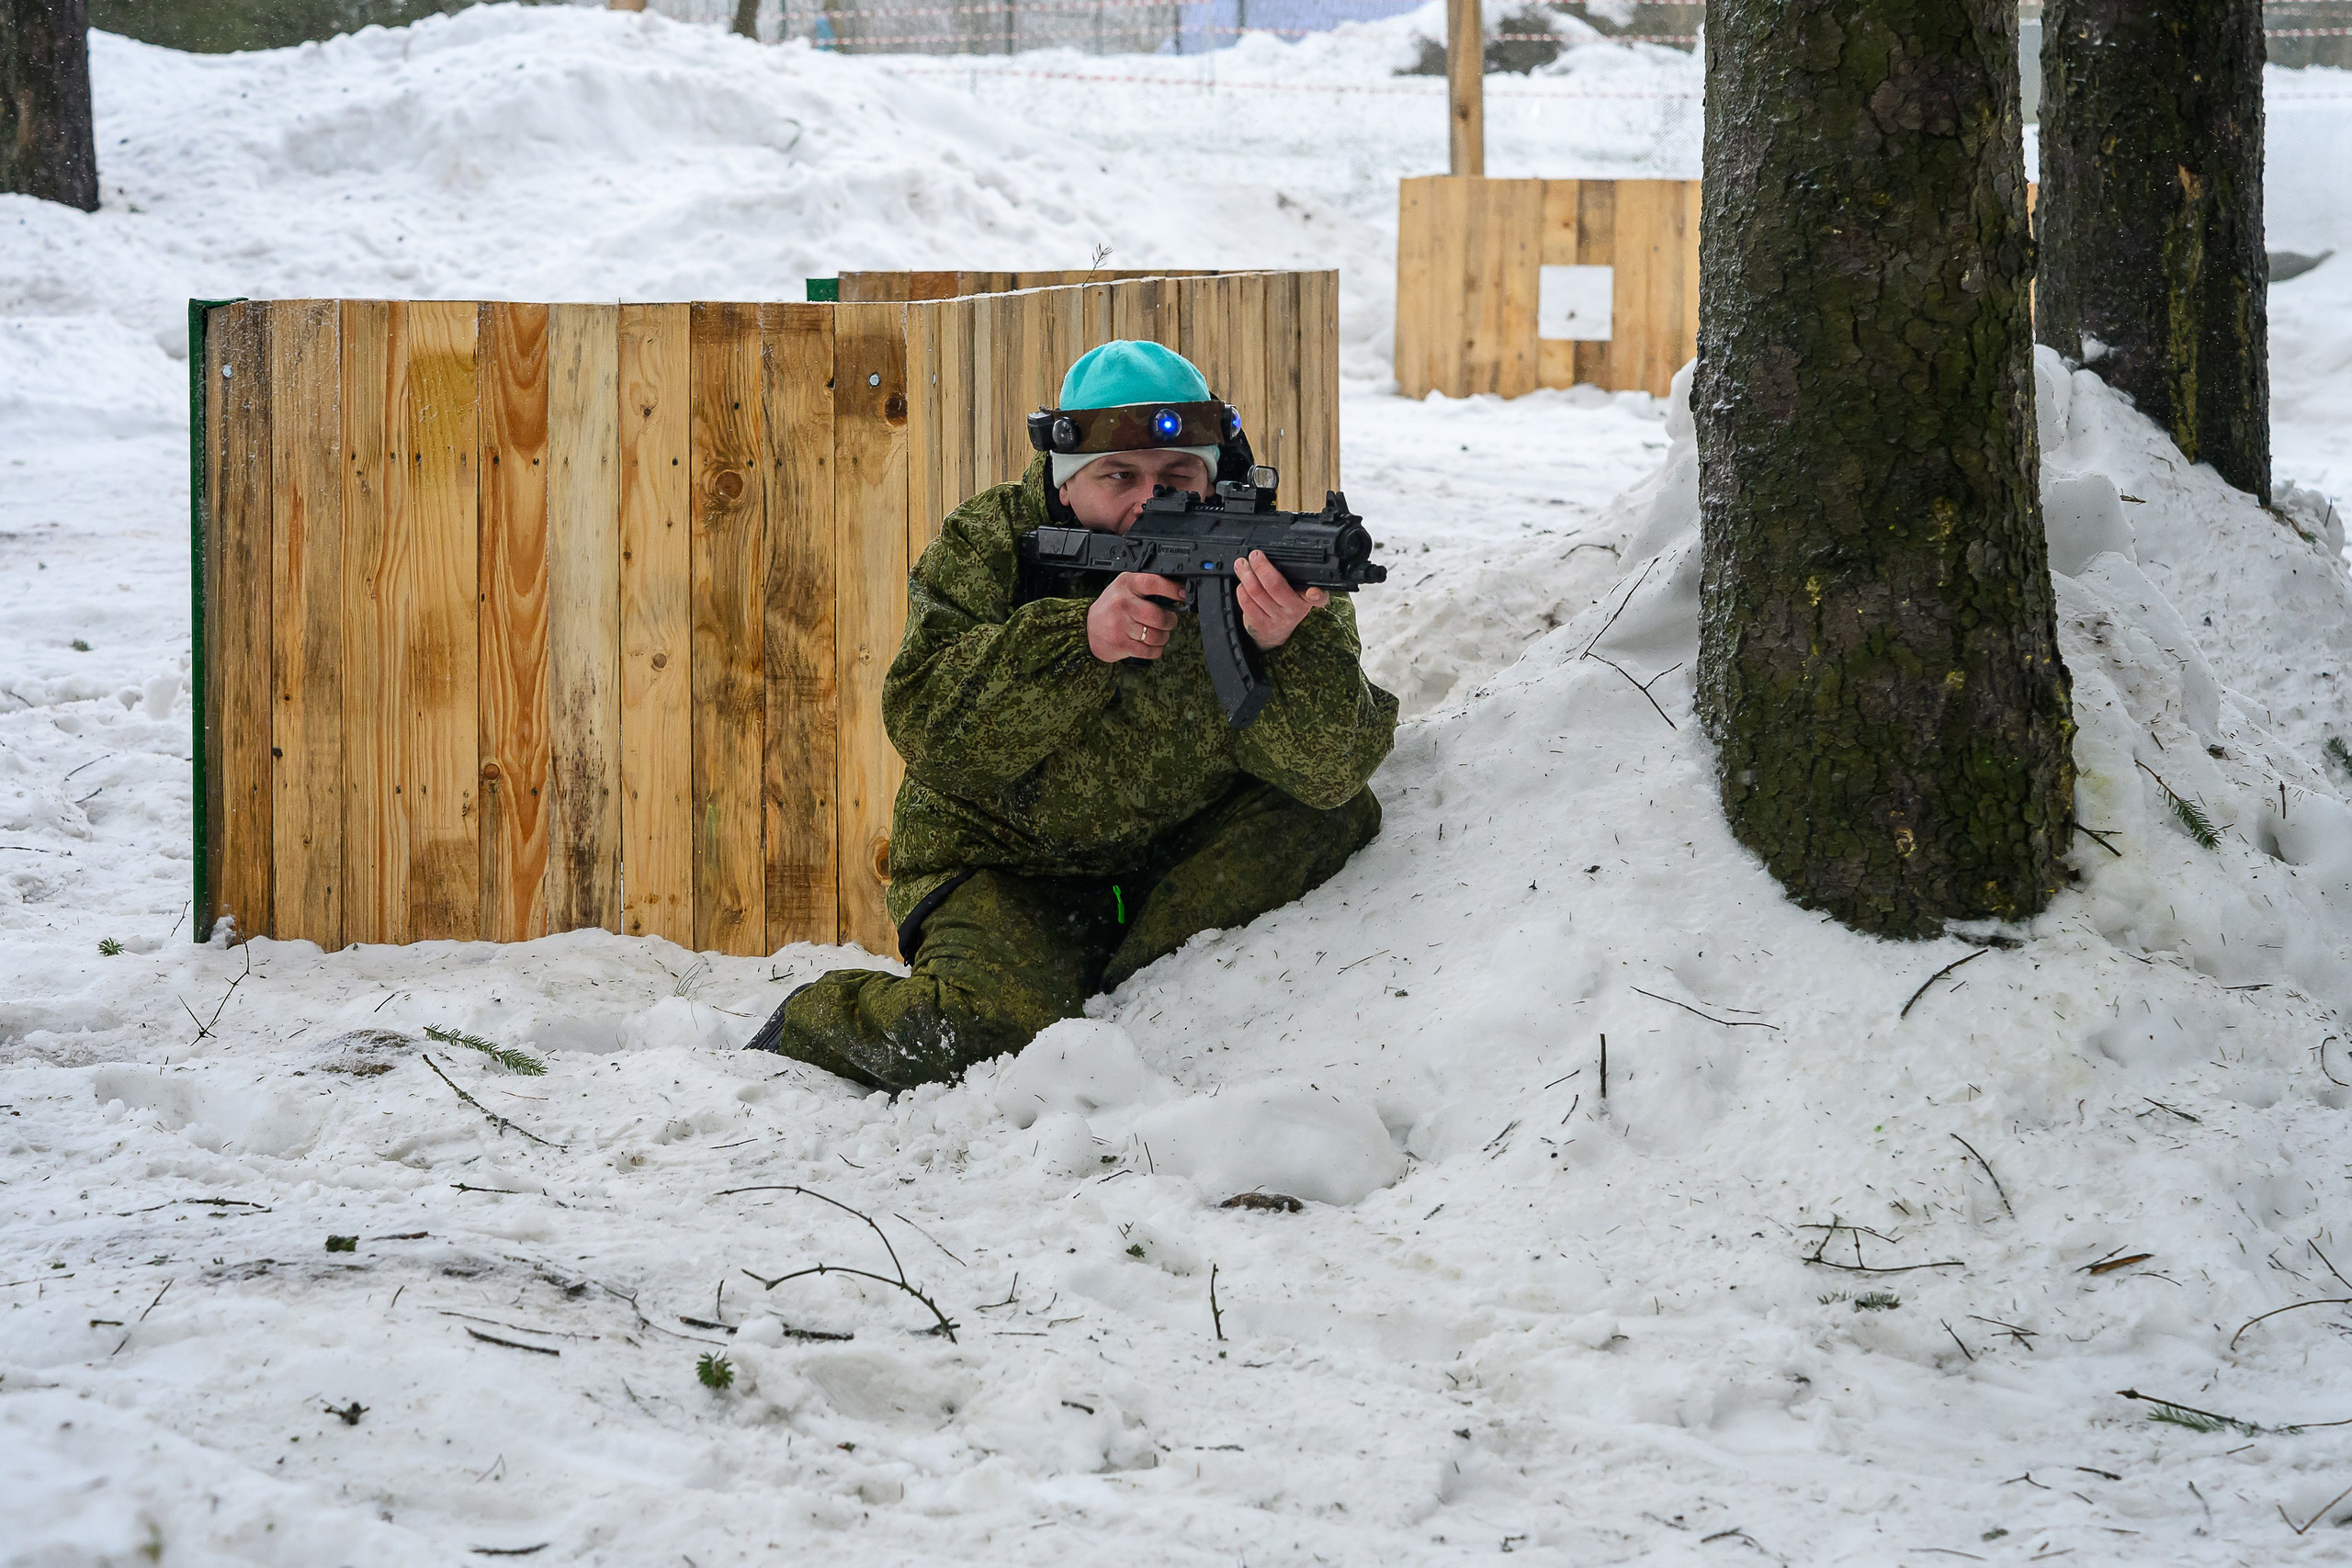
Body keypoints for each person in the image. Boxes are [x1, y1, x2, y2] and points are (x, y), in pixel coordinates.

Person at [746, 340, 1398, 1090]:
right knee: (979, 1035)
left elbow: (1330, 772)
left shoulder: (1268, 562)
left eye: (1178, 474)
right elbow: (927, 723)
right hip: (1010, 866)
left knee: (1333, 819)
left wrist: (1284, 645)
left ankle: (1119, 989)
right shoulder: (991, 543)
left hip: (1172, 856)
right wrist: (1080, 642)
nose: (1149, 500)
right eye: (1118, 476)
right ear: (1066, 483)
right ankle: (813, 1019)